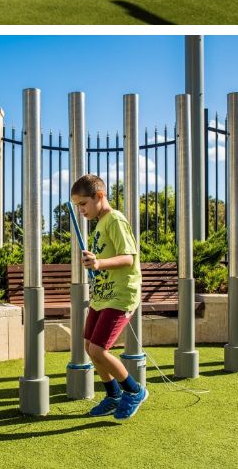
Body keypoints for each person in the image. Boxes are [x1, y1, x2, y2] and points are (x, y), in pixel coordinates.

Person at [71, 173, 147, 421]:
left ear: (99, 196)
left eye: (83, 203)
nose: (80, 210)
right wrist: (93, 262)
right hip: (102, 296)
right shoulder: (100, 224)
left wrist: (99, 263)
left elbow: (129, 258)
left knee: (99, 349)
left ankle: (134, 391)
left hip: (121, 295)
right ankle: (113, 394)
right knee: (88, 346)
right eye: (77, 206)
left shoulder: (115, 219)